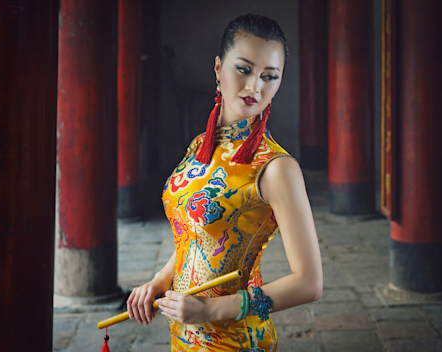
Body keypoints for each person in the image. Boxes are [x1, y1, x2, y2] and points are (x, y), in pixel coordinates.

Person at [126, 13, 323, 351]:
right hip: (184, 334)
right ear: (218, 69)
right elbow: (196, 236)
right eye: (244, 69)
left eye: (269, 76)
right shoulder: (200, 146)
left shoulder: (276, 168)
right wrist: (159, 281)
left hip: (236, 339)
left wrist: (213, 308)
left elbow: (309, 284)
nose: (255, 87)